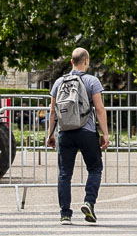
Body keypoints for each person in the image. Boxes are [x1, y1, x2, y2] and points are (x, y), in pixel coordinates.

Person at [45, 47, 107, 224]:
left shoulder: (59, 83)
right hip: (86, 131)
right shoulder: (92, 81)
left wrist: (50, 134)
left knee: (65, 173)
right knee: (95, 168)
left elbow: (52, 111)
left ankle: (65, 214)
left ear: (71, 62)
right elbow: (100, 109)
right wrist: (105, 133)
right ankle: (89, 202)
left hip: (65, 132)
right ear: (86, 61)